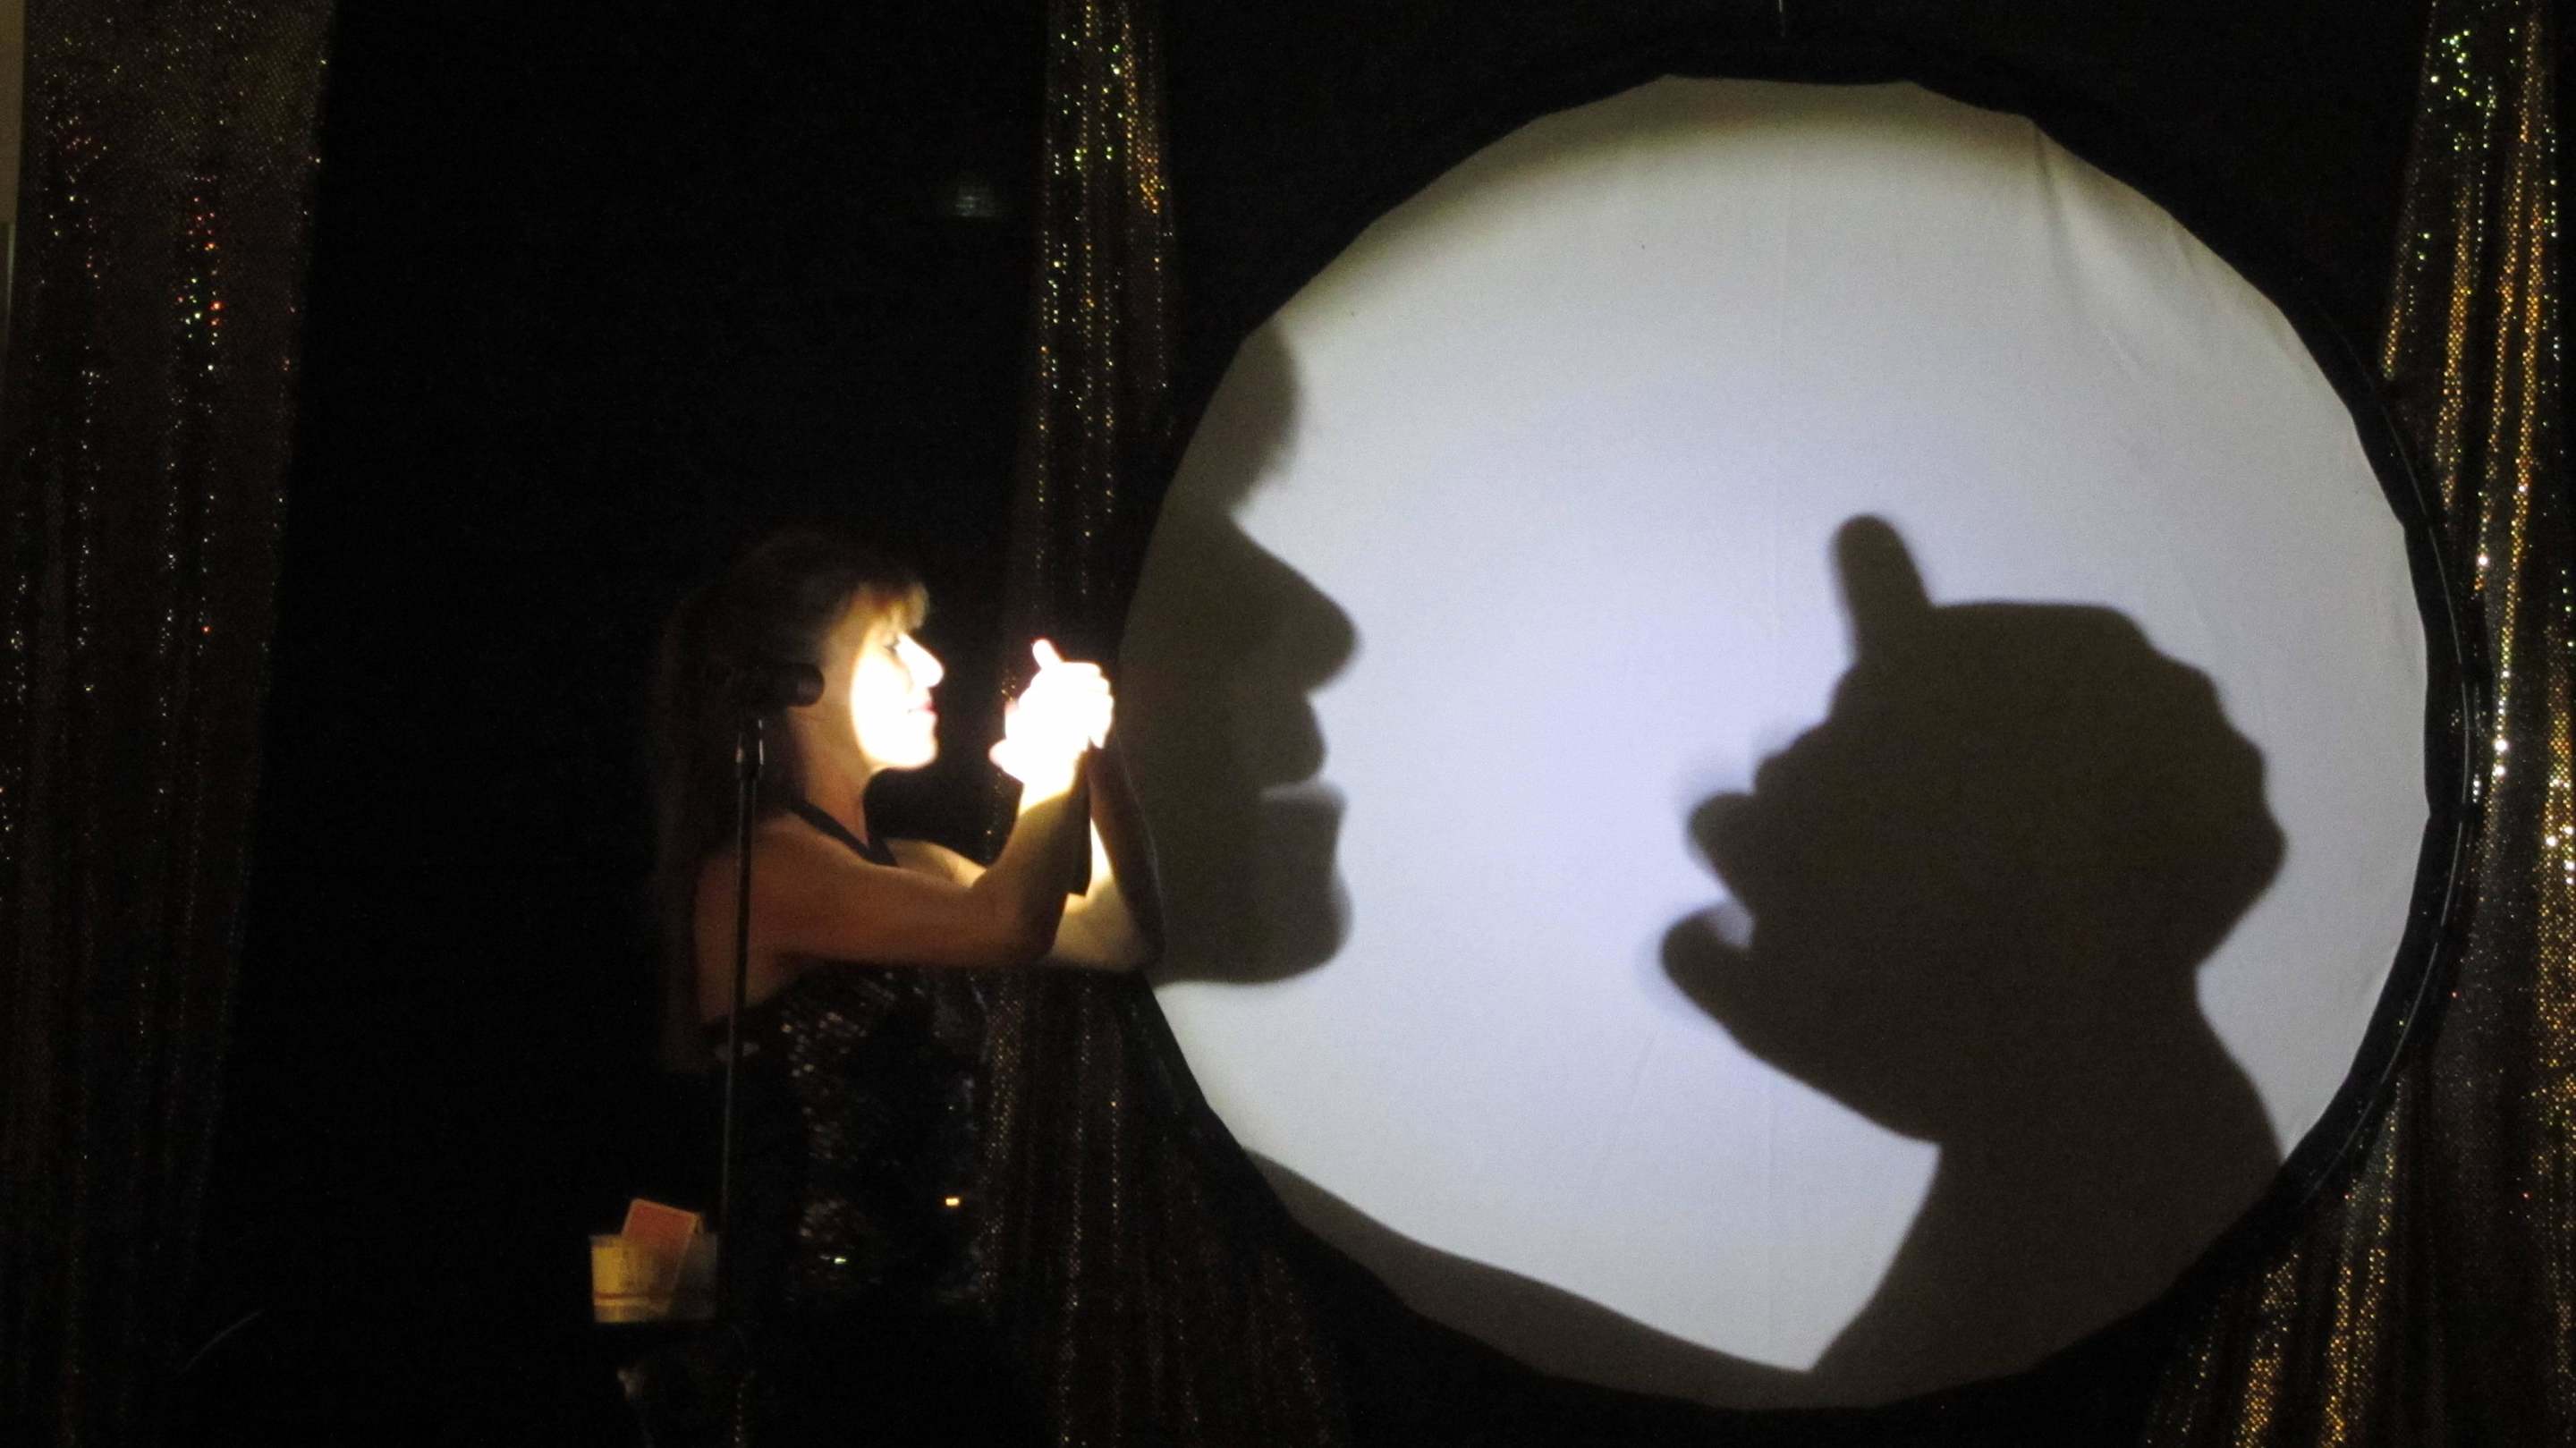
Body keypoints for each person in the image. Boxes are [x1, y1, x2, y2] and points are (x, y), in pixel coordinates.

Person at [647, 528, 1159, 1444]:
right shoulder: (761, 870)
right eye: (892, 644)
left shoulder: (913, 863)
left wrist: (1093, 754)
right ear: (797, 685)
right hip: (809, 1358)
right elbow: (1008, 924)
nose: (932, 667)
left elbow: (1117, 934)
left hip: (927, 1330)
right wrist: (1050, 763)